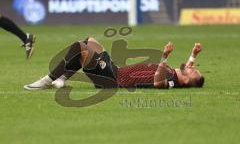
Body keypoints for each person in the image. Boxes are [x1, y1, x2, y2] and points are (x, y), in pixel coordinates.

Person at [24, 37, 204, 90]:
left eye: (194, 72)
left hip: (112, 80)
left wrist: (163, 59)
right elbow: (187, 69)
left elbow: (158, 83)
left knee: (80, 48)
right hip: (116, 71)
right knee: (90, 41)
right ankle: (63, 78)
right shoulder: (176, 74)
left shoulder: (172, 80)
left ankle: (48, 79)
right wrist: (193, 55)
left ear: (187, 81)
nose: (192, 68)